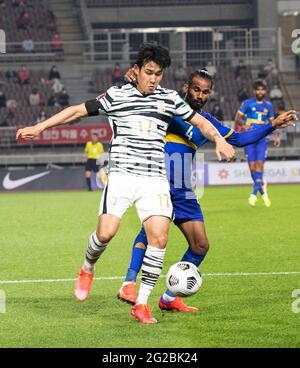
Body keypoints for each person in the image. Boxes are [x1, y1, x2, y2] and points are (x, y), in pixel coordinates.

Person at [16, 43, 235, 324]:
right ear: (137, 70)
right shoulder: (117, 95)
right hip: (121, 176)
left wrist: (218, 139)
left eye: (158, 74)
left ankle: (141, 304)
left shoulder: (169, 99)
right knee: (106, 234)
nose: (154, 79)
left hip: (154, 180)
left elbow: (200, 123)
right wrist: (39, 128)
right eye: (149, 72)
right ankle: (87, 267)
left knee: (159, 237)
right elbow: (76, 111)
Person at [117, 69, 297, 310]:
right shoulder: (168, 104)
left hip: (183, 190)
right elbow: (140, 96)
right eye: (196, 89)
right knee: (151, 234)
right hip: (157, 181)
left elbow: (241, 139)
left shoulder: (208, 123)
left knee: (200, 246)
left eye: (205, 92)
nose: (200, 95)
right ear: (186, 88)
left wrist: (272, 124)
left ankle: (169, 298)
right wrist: (131, 79)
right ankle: (129, 282)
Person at [235, 79, 281, 207]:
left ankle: (253, 195)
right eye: (258, 89)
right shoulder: (247, 103)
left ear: (265, 91)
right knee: (252, 169)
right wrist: (244, 125)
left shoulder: (268, 106)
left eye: (262, 89)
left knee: (259, 167)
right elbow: (237, 118)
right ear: (255, 91)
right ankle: (264, 193)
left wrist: (276, 136)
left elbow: (273, 123)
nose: (260, 92)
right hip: (249, 139)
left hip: (262, 140)